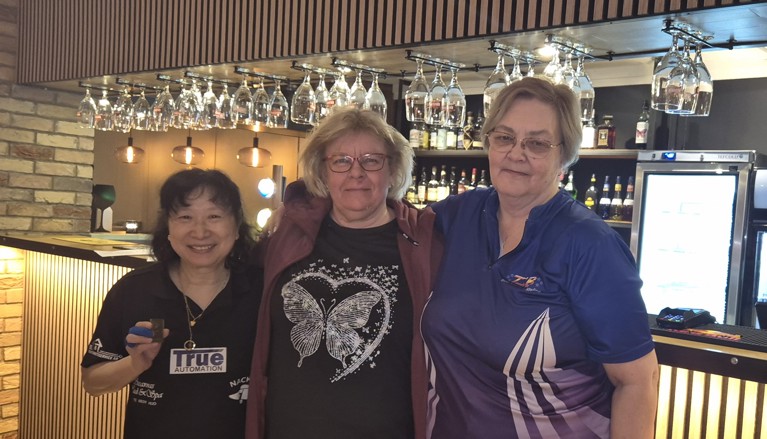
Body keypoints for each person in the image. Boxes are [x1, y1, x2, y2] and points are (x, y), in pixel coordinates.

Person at [421, 77, 659, 438]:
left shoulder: (589, 244)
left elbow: (638, 381)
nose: (516, 154)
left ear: (564, 155)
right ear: (488, 142)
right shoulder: (457, 215)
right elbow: (380, 228)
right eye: (504, 137)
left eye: (537, 143)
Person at [245, 108, 442, 439]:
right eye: (341, 161)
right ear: (323, 171)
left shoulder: (425, 244)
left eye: (371, 160)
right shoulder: (289, 233)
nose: (356, 173)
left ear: (393, 169)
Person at [81, 169, 262, 438]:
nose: (200, 232)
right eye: (185, 217)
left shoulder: (260, 292)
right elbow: (93, 382)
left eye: (214, 216)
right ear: (168, 227)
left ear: (236, 227)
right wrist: (134, 365)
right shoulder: (136, 290)